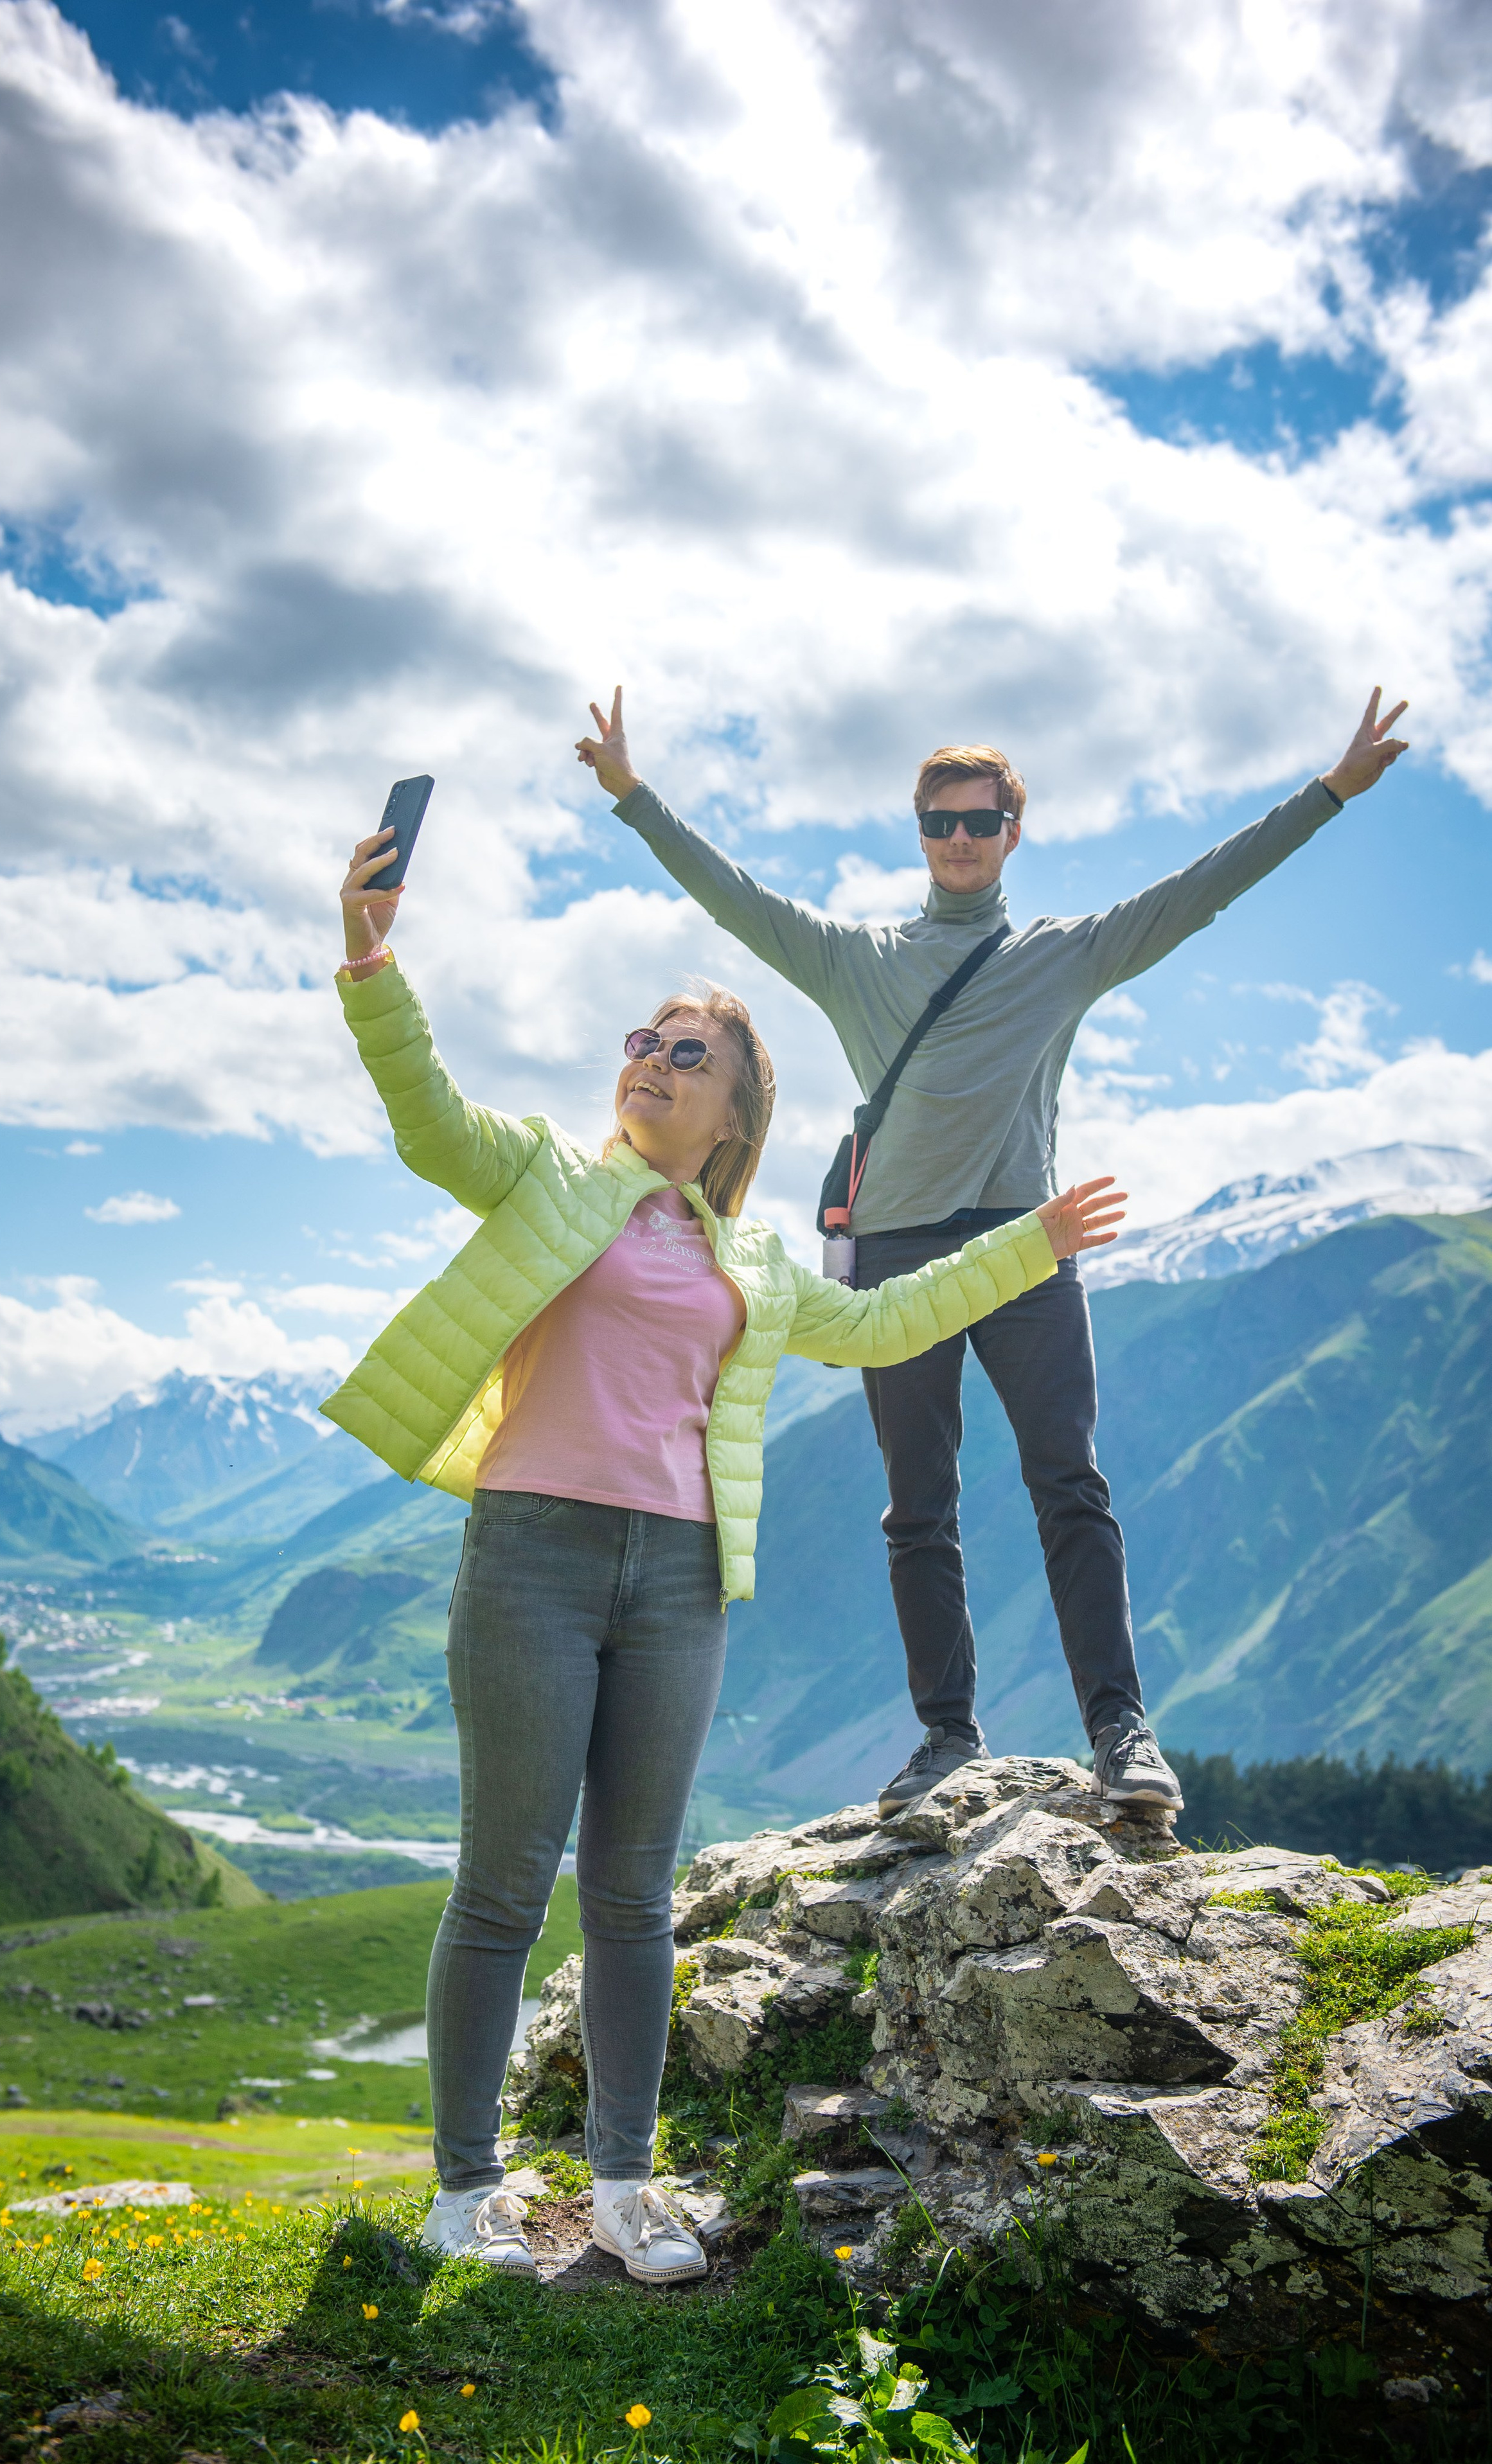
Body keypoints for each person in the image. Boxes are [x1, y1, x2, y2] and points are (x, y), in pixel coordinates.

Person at [322, 818, 1126, 2285]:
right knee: (502, 1888)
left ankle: (622, 2189)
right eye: (644, 1037)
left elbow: (886, 1320)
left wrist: (1031, 1242)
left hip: (680, 1582)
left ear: (737, 1108)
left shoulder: (751, 1261)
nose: (652, 1057)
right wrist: (373, 960)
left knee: (631, 1894)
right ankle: (461, 2194)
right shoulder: (547, 1177)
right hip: (532, 1561)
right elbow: (429, 1116)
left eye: (688, 1051)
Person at [576, 687, 1410, 1820]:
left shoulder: (1062, 957)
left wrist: (1329, 795)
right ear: (918, 834)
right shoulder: (856, 959)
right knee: (917, 1509)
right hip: (896, 1265)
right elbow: (735, 897)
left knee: (1071, 1485)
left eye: (981, 822)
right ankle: (945, 1738)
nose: (960, 841)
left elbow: (1197, 894)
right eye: (941, 823)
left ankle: (1122, 1735)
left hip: (1026, 1251)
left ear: (1014, 832)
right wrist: (632, 797)